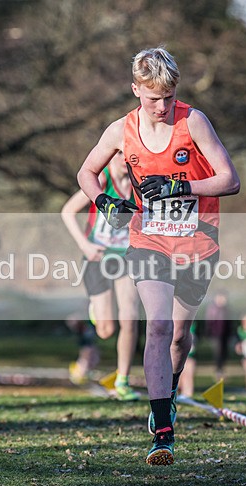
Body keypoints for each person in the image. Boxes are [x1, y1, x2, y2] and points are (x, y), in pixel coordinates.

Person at [77, 46, 240, 465]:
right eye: (153, 98)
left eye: (169, 97)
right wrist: (104, 202)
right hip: (148, 241)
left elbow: (230, 180)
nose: (162, 107)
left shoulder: (193, 121)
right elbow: (86, 172)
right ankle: (163, 431)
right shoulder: (121, 130)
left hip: (198, 242)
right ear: (136, 89)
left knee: (180, 336)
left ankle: (168, 390)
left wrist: (182, 187)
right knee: (158, 326)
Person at [61, 152, 141, 401]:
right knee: (106, 330)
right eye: (120, 154)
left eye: (130, 155)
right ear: (111, 155)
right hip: (97, 257)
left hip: (126, 258)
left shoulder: (140, 183)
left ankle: (123, 380)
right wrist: (85, 245)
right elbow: (67, 211)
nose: (125, 160)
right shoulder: (102, 180)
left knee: (130, 316)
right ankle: (97, 312)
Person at [203, 290, 231, 382]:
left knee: (224, 353)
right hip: (215, 334)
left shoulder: (226, 309)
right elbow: (209, 322)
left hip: (225, 334)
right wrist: (208, 333)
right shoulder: (212, 308)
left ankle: (221, 371)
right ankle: (218, 372)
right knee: (218, 353)